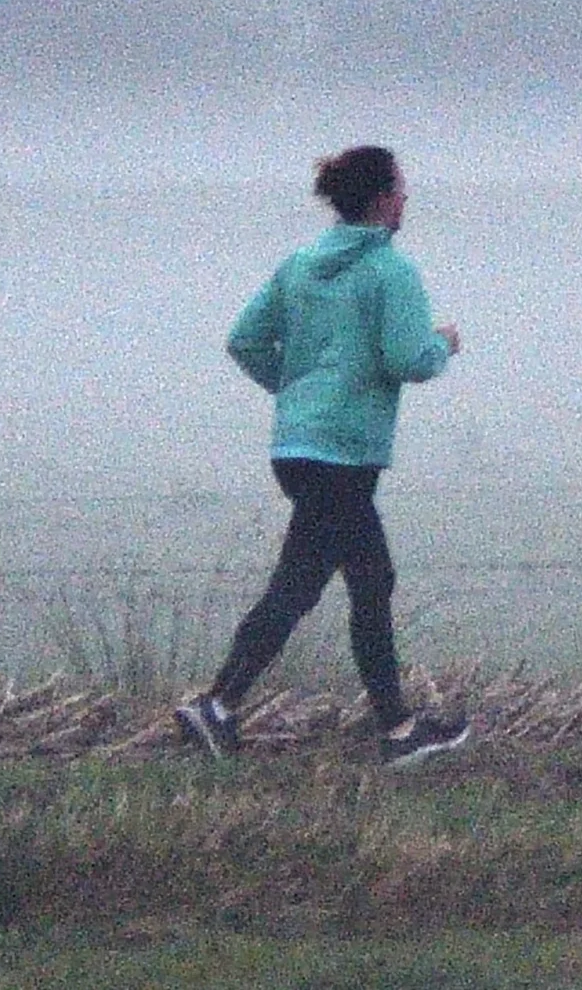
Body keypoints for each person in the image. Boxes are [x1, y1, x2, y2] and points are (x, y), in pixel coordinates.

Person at [175, 145, 470, 763]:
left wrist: (296, 388)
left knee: (316, 580)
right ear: (382, 199)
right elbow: (405, 358)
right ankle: (395, 734)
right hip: (345, 454)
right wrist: (443, 344)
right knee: (359, 581)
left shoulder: (301, 265)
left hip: (295, 447)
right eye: (401, 188)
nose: (407, 199)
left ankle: (221, 707)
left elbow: (244, 340)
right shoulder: (392, 272)